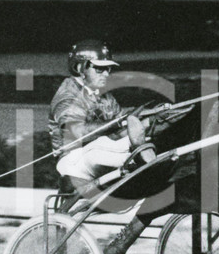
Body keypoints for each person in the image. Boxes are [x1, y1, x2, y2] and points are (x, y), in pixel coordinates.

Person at [48, 39, 155, 190]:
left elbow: (122, 127)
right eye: (99, 69)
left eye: (108, 69)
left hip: (98, 149)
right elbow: (75, 132)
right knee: (111, 146)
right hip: (73, 160)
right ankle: (144, 160)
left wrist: (145, 119)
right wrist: (121, 123)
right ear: (79, 68)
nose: (106, 74)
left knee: (144, 132)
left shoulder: (104, 95)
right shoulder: (68, 96)